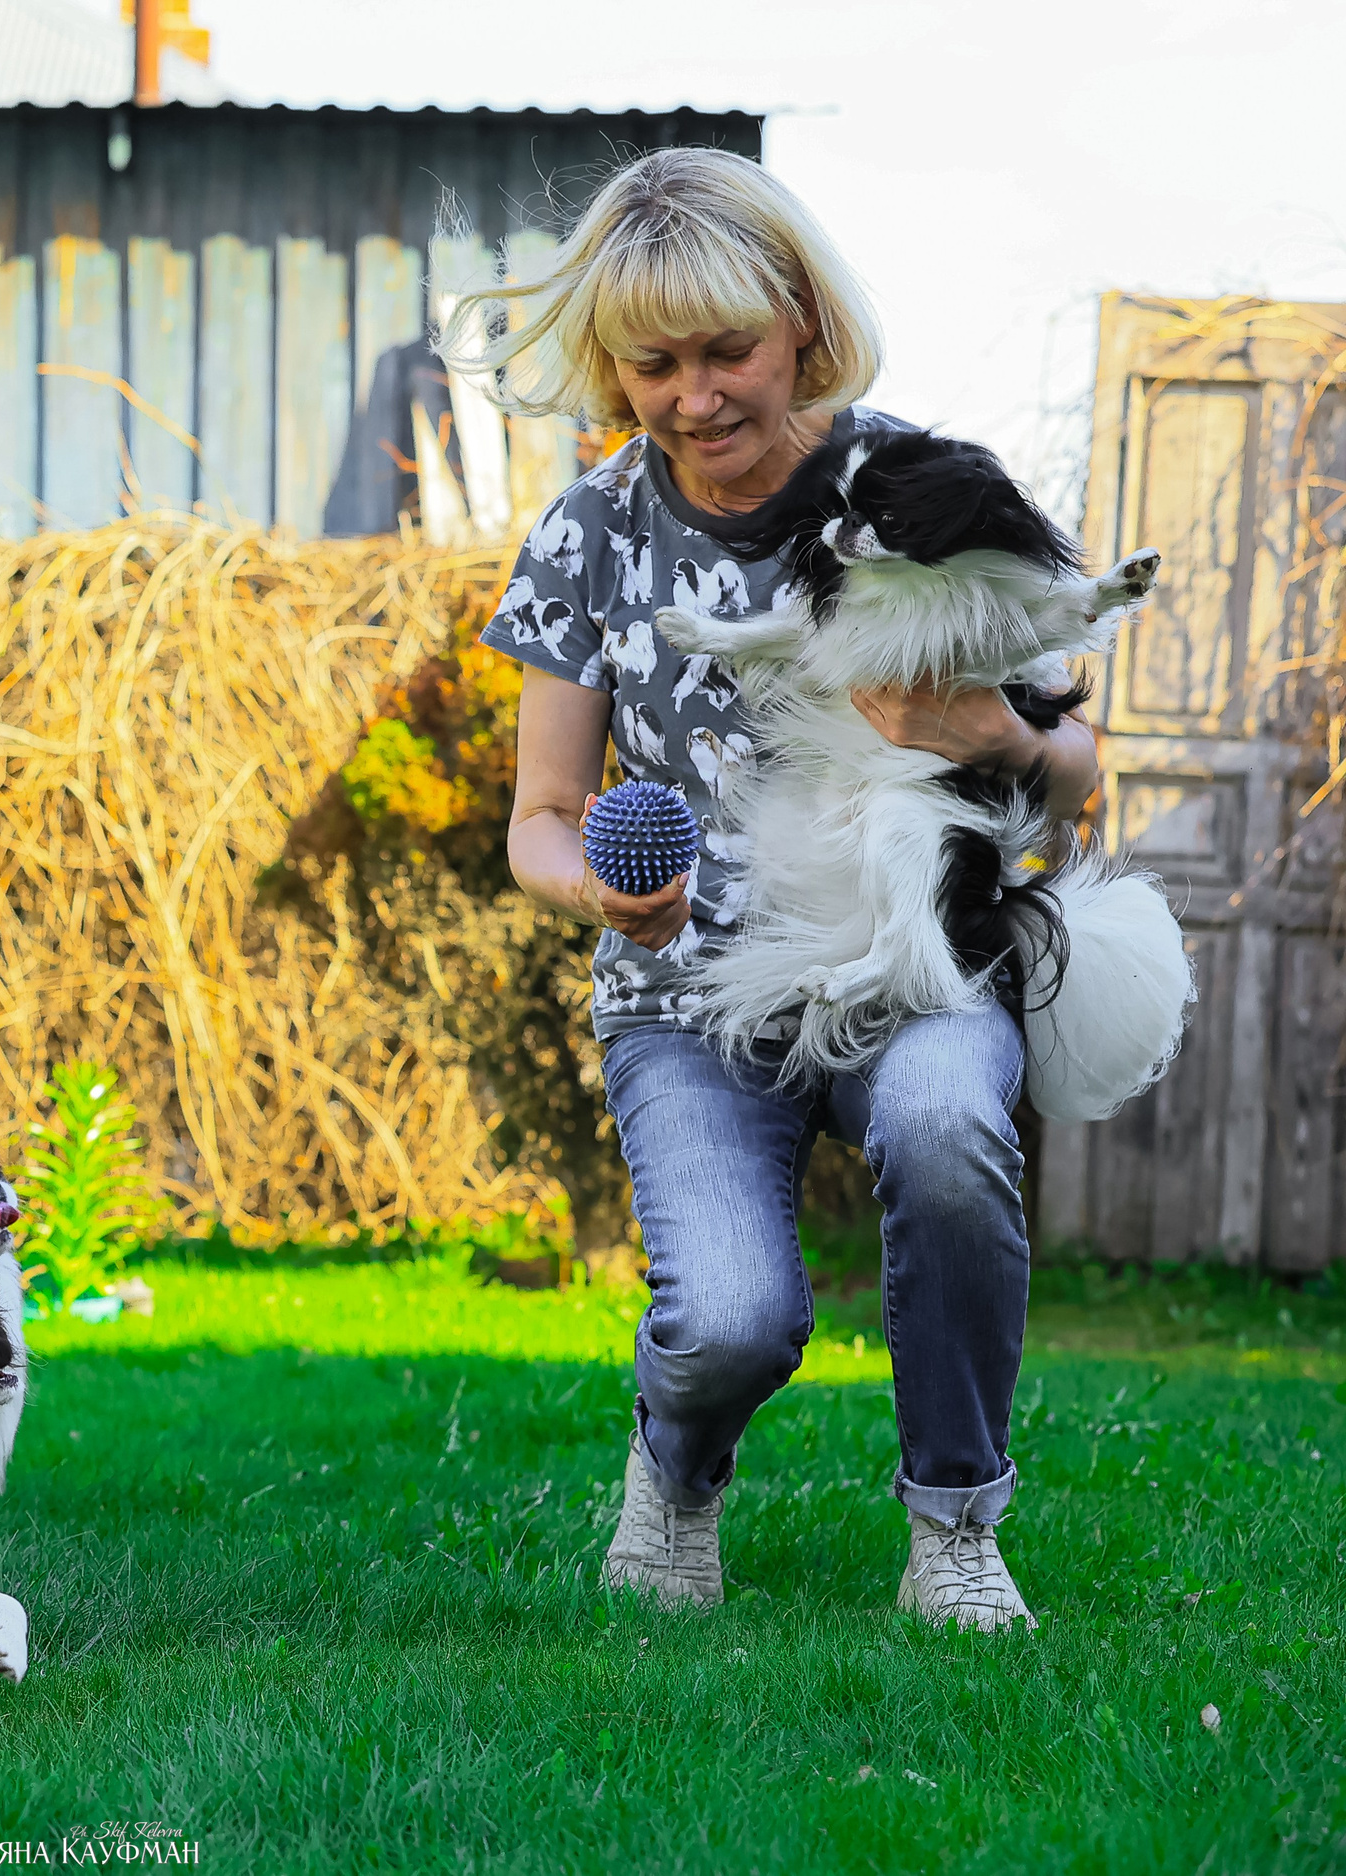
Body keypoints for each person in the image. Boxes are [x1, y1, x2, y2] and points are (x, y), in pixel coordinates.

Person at [451, 147, 1098, 1631]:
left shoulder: (924, 489)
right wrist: (598, 897)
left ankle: (954, 1526)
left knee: (943, 1131)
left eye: (727, 350)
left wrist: (997, 734)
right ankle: (677, 1469)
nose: (696, 397)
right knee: (734, 1319)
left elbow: (1082, 770)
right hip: (689, 998)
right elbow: (540, 817)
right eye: (655, 365)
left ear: (803, 318)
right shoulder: (591, 532)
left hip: (910, 965)